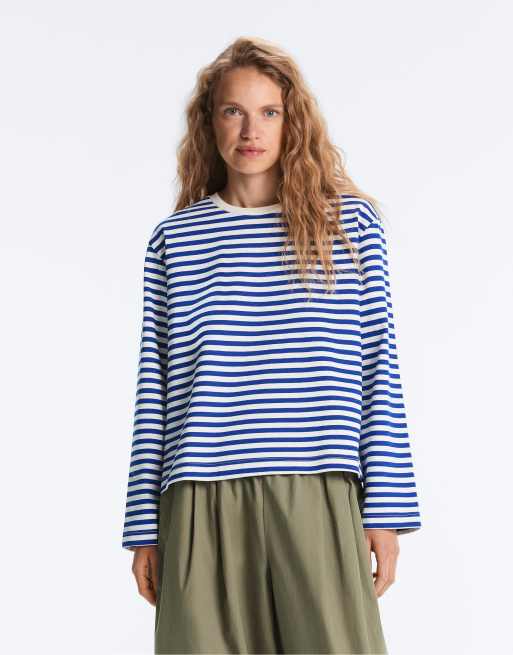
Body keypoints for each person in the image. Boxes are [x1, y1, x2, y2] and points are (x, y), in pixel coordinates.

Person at [122, 36, 422, 655]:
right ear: (209, 123)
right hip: (200, 495)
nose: (250, 130)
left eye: (269, 112)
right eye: (233, 111)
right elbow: (155, 390)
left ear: (292, 122)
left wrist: (386, 513)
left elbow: (378, 368)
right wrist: (143, 527)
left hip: (317, 488)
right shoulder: (175, 240)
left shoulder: (347, 227)